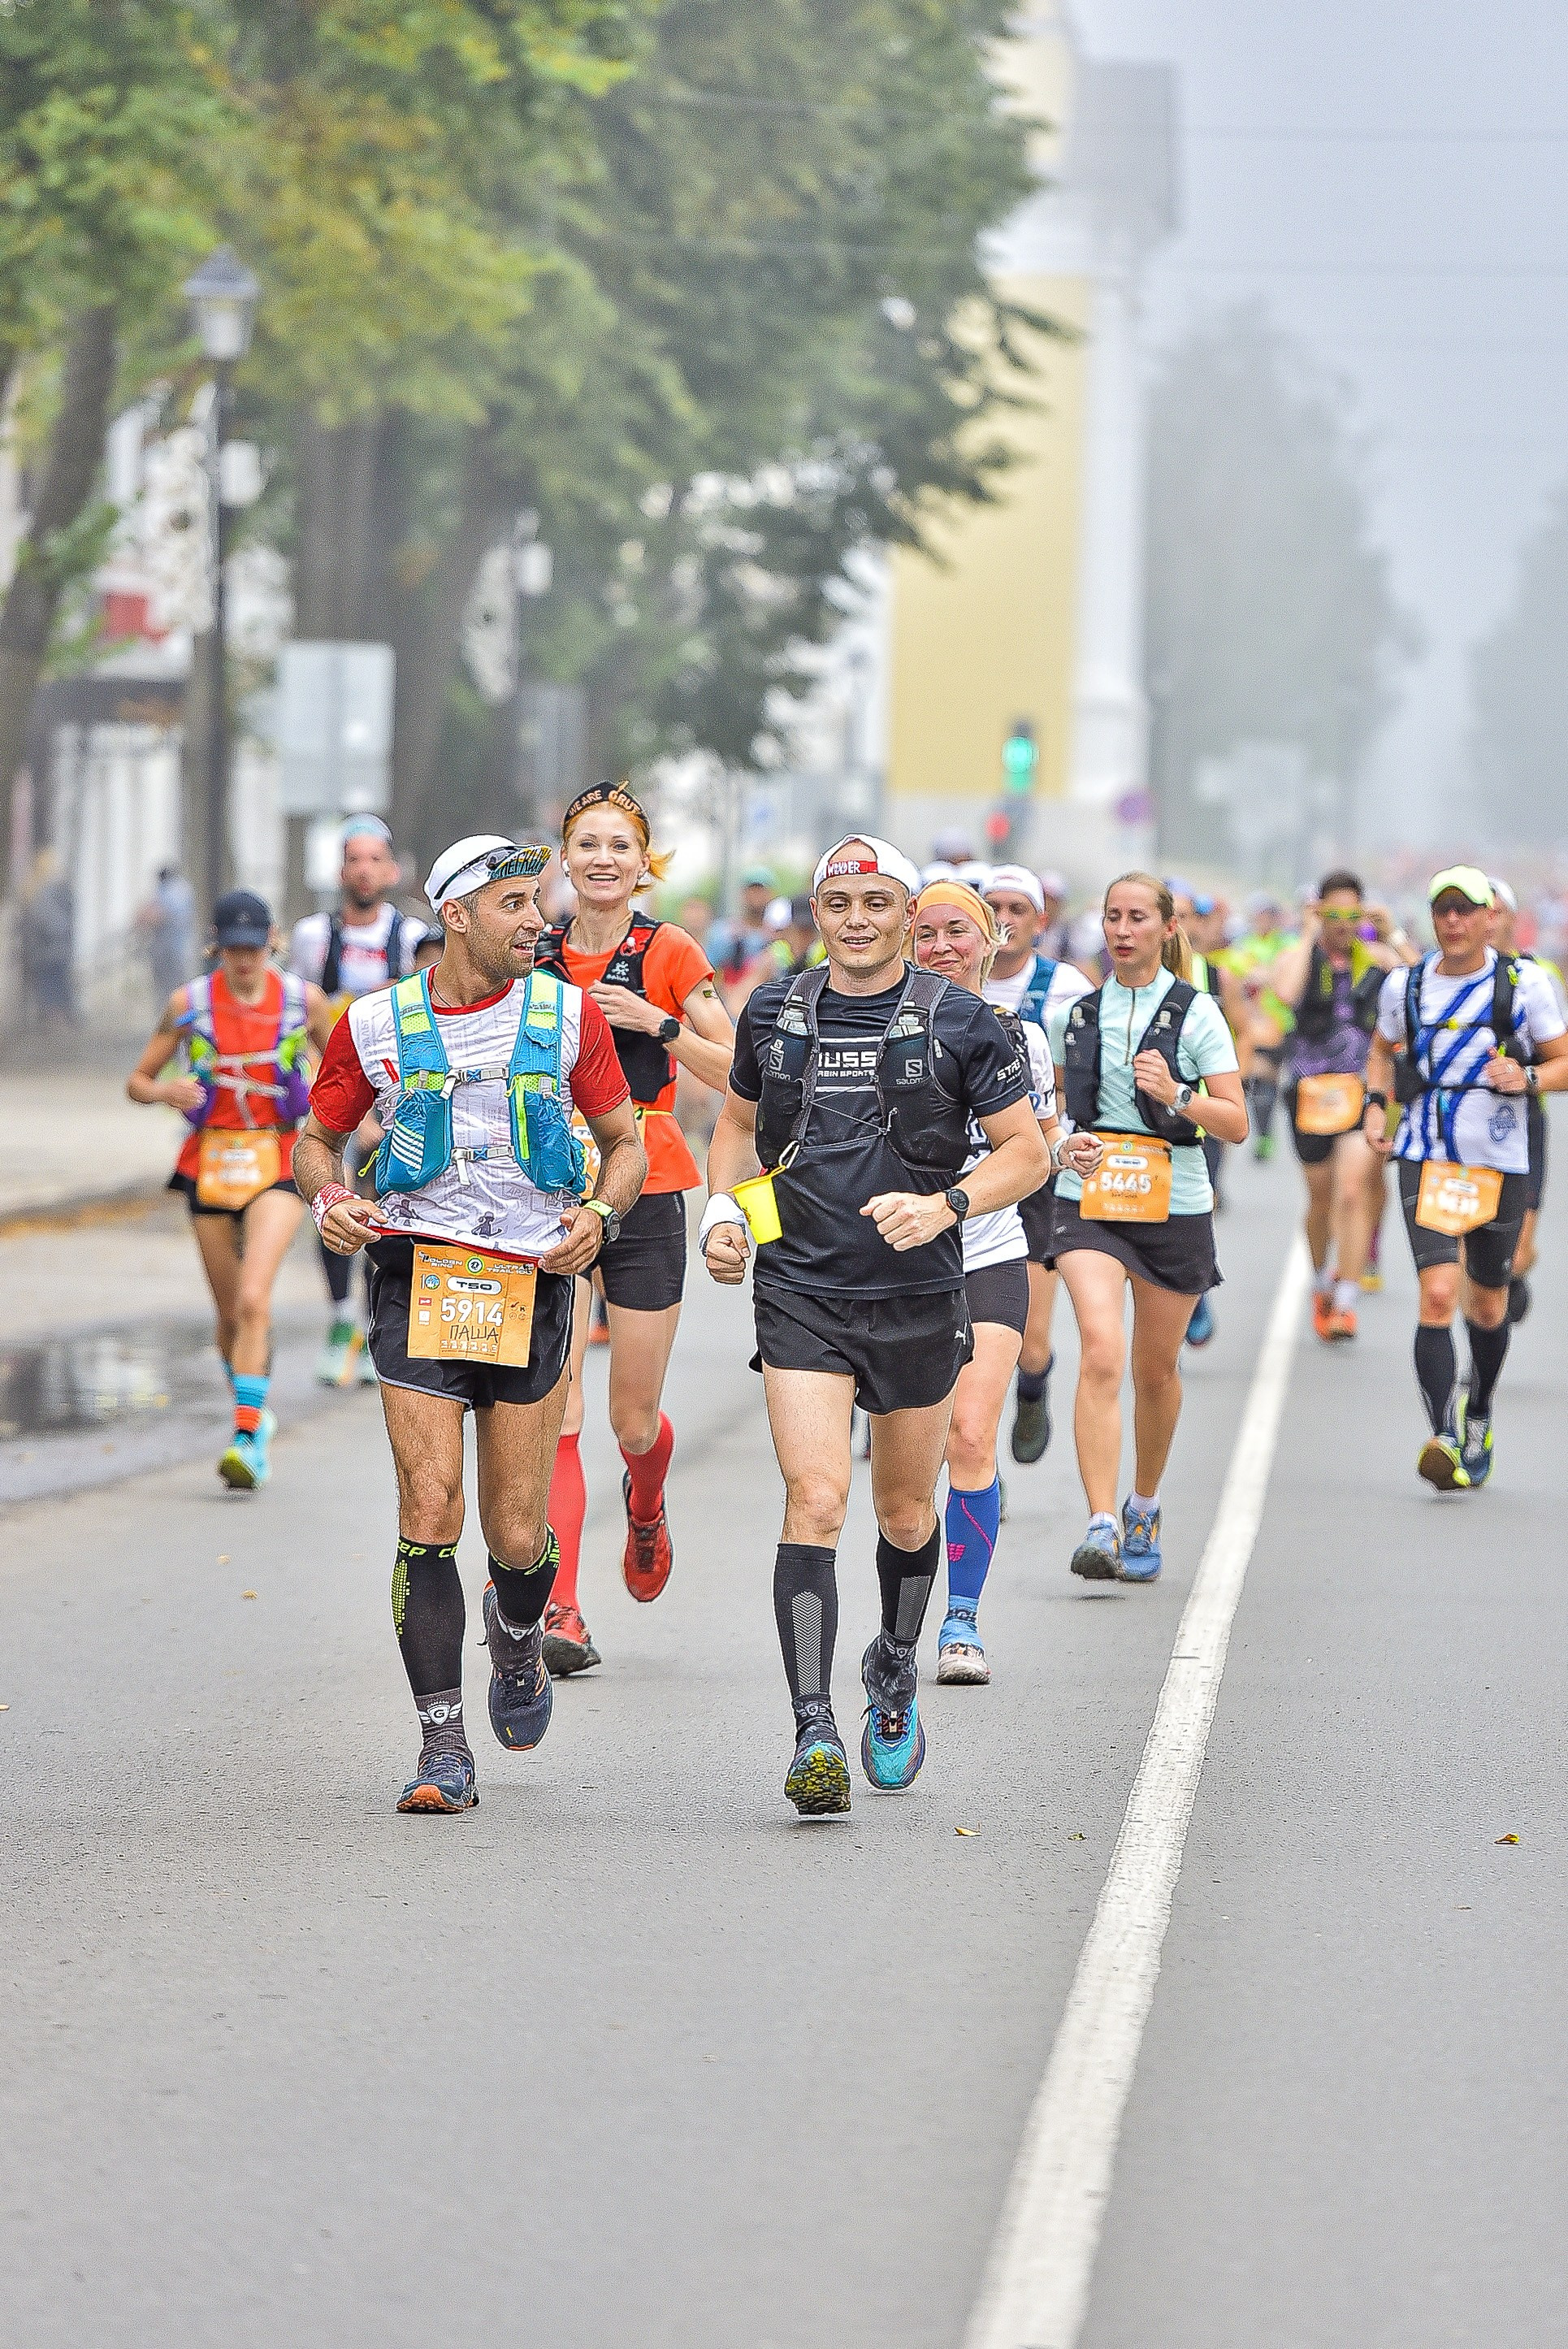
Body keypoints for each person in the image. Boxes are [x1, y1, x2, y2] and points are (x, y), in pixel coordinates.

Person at [293, 834, 646, 1813]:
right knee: (428, 1509)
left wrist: (601, 1216)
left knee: (516, 1532)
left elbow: (624, 1143)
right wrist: (330, 1203)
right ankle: (442, 1744)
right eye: (517, 904)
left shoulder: (569, 1015)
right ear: (456, 916)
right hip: (419, 1270)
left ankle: (520, 1634)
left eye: (539, 901)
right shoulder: (373, 1023)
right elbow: (317, 1141)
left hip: (533, 1279)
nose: (540, 919)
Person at [703, 834, 1049, 1814]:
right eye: (839, 900)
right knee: (814, 1497)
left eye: (876, 901)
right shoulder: (774, 1008)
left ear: (908, 913)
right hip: (802, 1288)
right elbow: (736, 1122)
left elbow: (1026, 1152)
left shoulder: (966, 1021)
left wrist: (947, 1205)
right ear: (818, 911)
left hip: (918, 1296)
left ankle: (893, 1662)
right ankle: (813, 1723)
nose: (857, 918)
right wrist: (726, 1214)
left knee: (903, 1512)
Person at [532, 782, 734, 1675]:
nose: (604, 859)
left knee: (632, 1416)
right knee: (558, 1404)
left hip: (647, 1185)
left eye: (621, 845)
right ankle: (563, 1609)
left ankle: (646, 1501)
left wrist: (655, 1021)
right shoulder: (529, 951)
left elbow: (742, 1072)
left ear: (643, 861)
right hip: (549, 1191)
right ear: (564, 858)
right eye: (588, 844)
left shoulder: (670, 950)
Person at [911, 882, 1101, 1683]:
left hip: (986, 1243)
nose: (943, 945)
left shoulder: (1017, 1034)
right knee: (908, 1456)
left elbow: (1042, 1136)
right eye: (927, 932)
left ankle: (961, 1622)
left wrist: (1070, 1150)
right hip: (893, 1254)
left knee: (969, 1434)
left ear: (991, 943)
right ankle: (900, 1617)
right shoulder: (868, 1025)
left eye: (960, 930)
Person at [1046, 874, 1248, 1582]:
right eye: (1112, 917)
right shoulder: (1076, 1010)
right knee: (1101, 1349)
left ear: (1167, 928)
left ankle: (1143, 1502)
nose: (1122, 929)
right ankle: (1101, 1522)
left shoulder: (1197, 1014)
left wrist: (1177, 1093)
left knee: (1154, 1370)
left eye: (1138, 917)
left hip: (1173, 1202)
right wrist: (1057, 1144)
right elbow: (1046, 1102)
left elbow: (1237, 1121)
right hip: (1090, 1193)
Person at [1363, 867, 1568, 1492]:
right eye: (1443, 911)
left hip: (1498, 1158)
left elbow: (1562, 1059)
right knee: (1436, 1295)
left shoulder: (1524, 983)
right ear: (1433, 918)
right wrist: (1375, 1104)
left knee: (1487, 1303)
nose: (1453, 922)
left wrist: (1528, 1078)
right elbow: (1380, 1050)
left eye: (1465, 911)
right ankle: (1444, 1433)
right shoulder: (1407, 984)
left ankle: (1478, 1411)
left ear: (1489, 918)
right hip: (1425, 1152)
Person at [127, 888, 336, 1490]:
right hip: (209, 1160)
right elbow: (138, 1080)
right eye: (233, 948)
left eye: (255, 946)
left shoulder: (304, 1001)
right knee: (227, 1314)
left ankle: (246, 1437)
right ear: (216, 945)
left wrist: (340, 1118)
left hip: (276, 1155)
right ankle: (254, 1413)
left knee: (252, 1299)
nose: (245, 960)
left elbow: (343, 1072)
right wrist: (166, 1091)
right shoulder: (187, 1003)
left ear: (272, 939)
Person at [290, 817, 430, 1385]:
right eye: (355, 858)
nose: (365, 869)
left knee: (387, 1206)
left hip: (394, 1097)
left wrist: (384, 1108)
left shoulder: (414, 936)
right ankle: (340, 1317)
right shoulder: (313, 936)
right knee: (332, 1194)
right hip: (333, 1087)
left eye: (375, 859)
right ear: (340, 869)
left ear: (391, 870)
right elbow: (296, 1016)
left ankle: (377, 1329)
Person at [1263, 871, 1414, 1343]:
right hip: (1309, 1093)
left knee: (1352, 1188)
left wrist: (1392, 932)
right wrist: (1308, 933)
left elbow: (1429, 983)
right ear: (1320, 912)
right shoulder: (1302, 957)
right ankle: (1323, 1276)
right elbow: (1284, 992)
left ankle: (1346, 1297)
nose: (1343, 925)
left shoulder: (1378, 959)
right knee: (1321, 1197)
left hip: (1362, 1090)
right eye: (1334, 915)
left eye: (1353, 915)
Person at [981, 864, 1094, 1462]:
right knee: (965, 1342)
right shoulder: (942, 984)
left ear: (1039, 920)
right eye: (992, 906)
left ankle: (1033, 1387)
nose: (1003, 919)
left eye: (1016, 909)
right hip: (961, 1170)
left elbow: (1088, 1075)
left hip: (1035, 1172)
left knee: (1028, 1340)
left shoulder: (1067, 987)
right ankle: (980, 1464)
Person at [1488, 878, 1565, 1325]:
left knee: (1516, 1253)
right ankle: (1475, 1359)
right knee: (1468, 1256)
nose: (1489, 921)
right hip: (1465, 1128)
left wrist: (1529, 1075)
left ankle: (1509, 1278)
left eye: (1499, 912)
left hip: (1522, 1124)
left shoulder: (1540, 977)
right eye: (1484, 910)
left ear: (1514, 920)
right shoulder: (1447, 973)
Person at [1214, 891, 1296, 1159]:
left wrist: (1269, 975)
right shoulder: (1243, 944)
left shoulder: (1286, 943)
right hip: (1252, 1025)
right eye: (1258, 914)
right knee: (1259, 1078)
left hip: (1281, 1022)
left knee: (1270, 1081)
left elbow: (1292, 970)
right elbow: (1230, 970)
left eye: (1267, 914)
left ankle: (1265, 1130)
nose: (1262, 920)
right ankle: (1261, 1135)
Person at [708, 869, 776, 993]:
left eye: (761, 891)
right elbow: (710, 970)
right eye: (752, 891)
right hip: (731, 1001)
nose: (756, 896)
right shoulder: (724, 931)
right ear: (743, 895)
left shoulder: (779, 934)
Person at [136, 863, 197, 1001]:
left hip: (172, 951)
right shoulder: (178, 889)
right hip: (173, 950)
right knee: (171, 988)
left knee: (171, 988)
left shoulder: (173, 890)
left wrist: (143, 920)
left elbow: (158, 915)